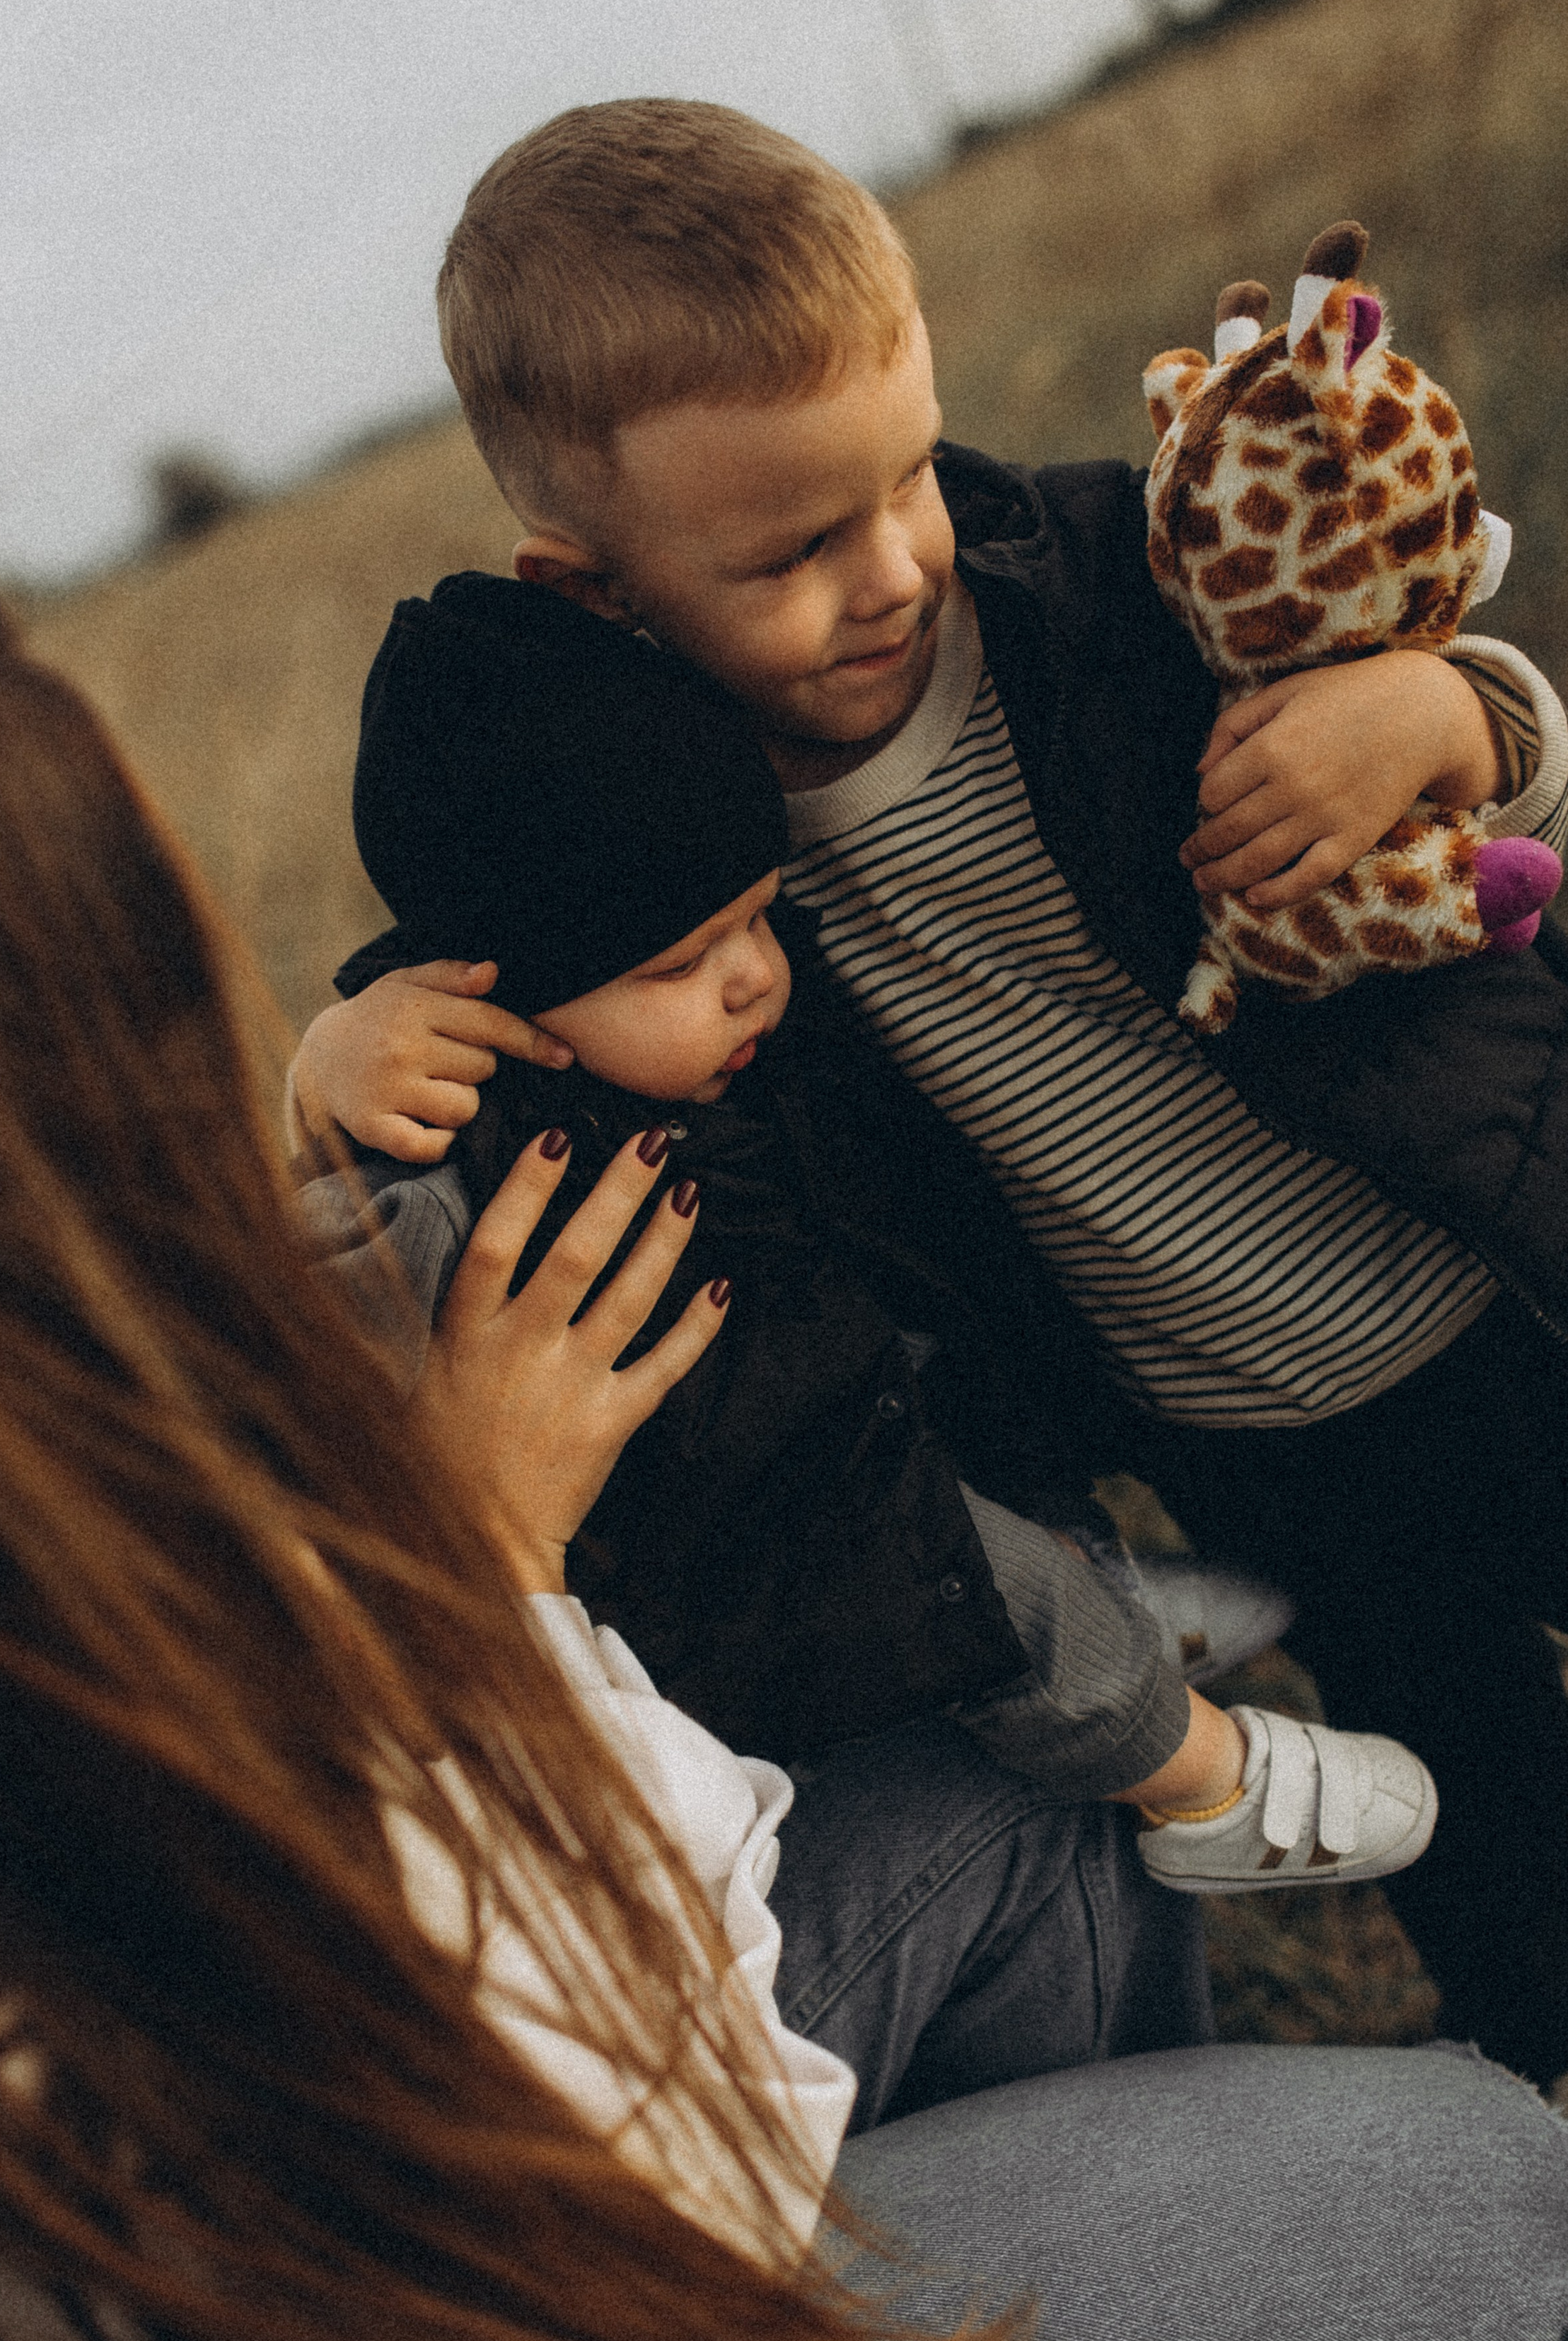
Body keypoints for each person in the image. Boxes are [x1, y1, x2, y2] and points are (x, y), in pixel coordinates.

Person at [0, 517, 1568, 2341]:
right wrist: (491, 1578)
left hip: (440, 2297)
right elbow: (590, 2256)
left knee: (1007, 1805)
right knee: (1502, 2204)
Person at [294, 98, 1568, 2090]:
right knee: (1483, 1781)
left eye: (902, 476)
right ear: (599, 595)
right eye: (793, 549)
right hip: (1218, 1415)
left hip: (1493, 1250)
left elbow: (1460, 737)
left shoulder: (1110, 587)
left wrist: (1452, 718)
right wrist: (346, 1037)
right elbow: (513, 945)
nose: (892, 566)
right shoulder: (655, 817)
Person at [304, 561, 1433, 1899]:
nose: (748, 979)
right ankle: (1206, 1790)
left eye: (755, 920)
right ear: (496, 991)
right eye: (676, 964)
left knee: (968, 1408)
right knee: (951, 1568)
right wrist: (323, 1107)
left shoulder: (689, 1048)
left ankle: (1105, 1608)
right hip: (739, 1539)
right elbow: (316, 1356)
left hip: (843, 1402)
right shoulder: (446, 1158)